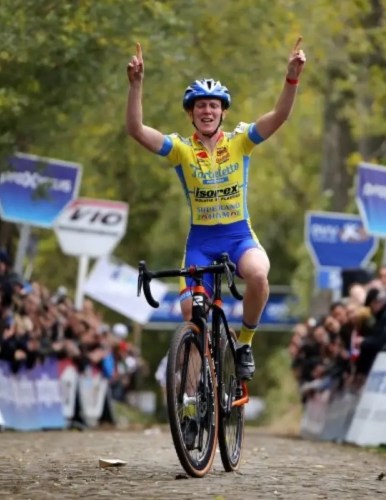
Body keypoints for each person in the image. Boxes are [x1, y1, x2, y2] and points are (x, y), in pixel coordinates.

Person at [124, 39, 306, 381]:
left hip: (238, 236)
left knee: (257, 276)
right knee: (192, 318)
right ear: (191, 113)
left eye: (213, 105)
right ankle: (192, 401)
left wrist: (292, 77)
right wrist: (136, 86)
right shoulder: (181, 149)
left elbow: (280, 116)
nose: (207, 111)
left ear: (223, 111)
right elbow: (136, 130)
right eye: (200, 106)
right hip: (201, 244)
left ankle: (245, 343)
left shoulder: (241, 141)